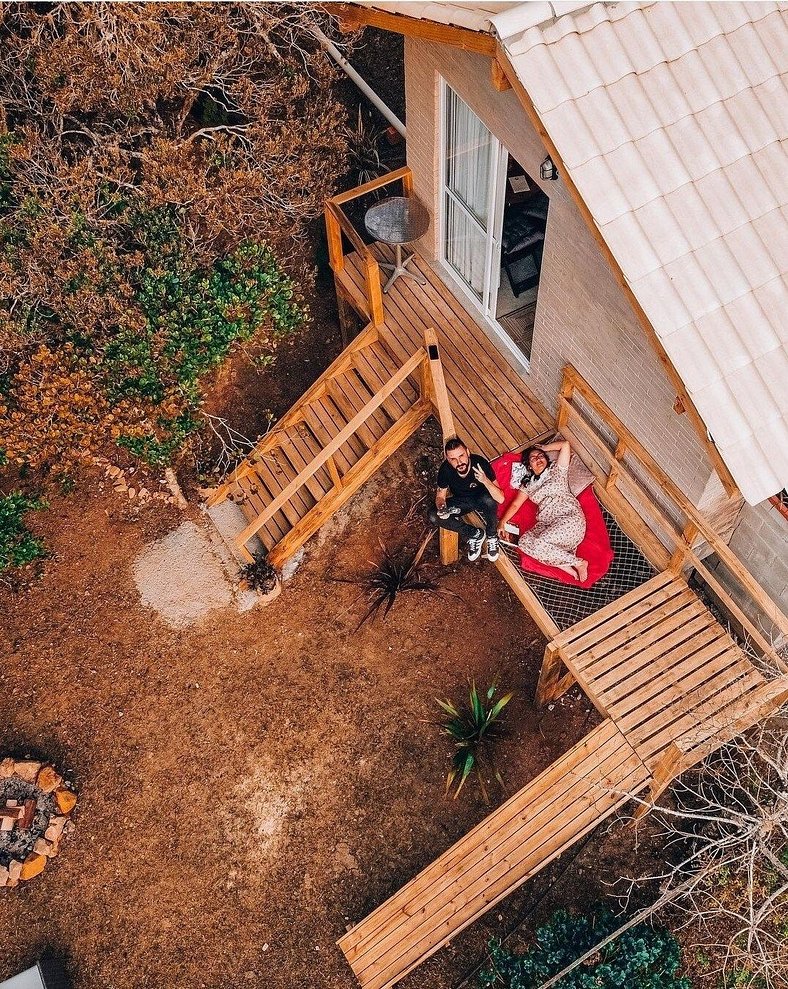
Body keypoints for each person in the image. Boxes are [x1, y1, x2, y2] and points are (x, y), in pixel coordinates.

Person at [497, 439, 589, 582]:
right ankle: (565, 563)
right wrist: (502, 522)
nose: (538, 459)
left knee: (539, 544)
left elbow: (565, 445)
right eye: (533, 459)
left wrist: (544, 448)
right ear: (529, 466)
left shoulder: (556, 471)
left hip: (569, 519)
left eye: (540, 456)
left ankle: (579, 562)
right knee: (524, 542)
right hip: (547, 525)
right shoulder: (528, 485)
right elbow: (515, 504)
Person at [429, 437, 505, 562]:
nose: (459, 462)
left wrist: (485, 480)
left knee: (489, 500)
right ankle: (475, 534)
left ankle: (491, 535)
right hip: (462, 501)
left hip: (482, 499)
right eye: (453, 459)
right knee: (433, 515)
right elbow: (440, 496)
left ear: (468, 453)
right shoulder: (445, 470)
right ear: (447, 459)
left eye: (461, 456)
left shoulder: (480, 463)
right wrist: (442, 508)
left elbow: (501, 498)